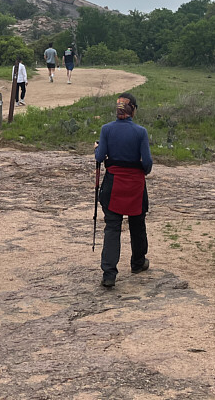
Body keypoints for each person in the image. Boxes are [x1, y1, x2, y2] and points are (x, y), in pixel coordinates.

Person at [94, 93, 152, 287]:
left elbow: (100, 157)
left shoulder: (106, 129)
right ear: (133, 110)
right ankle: (138, 262)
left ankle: (109, 274)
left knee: (112, 227)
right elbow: (147, 164)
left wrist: (96, 149)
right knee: (137, 224)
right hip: (136, 185)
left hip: (113, 184)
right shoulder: (141, 132)